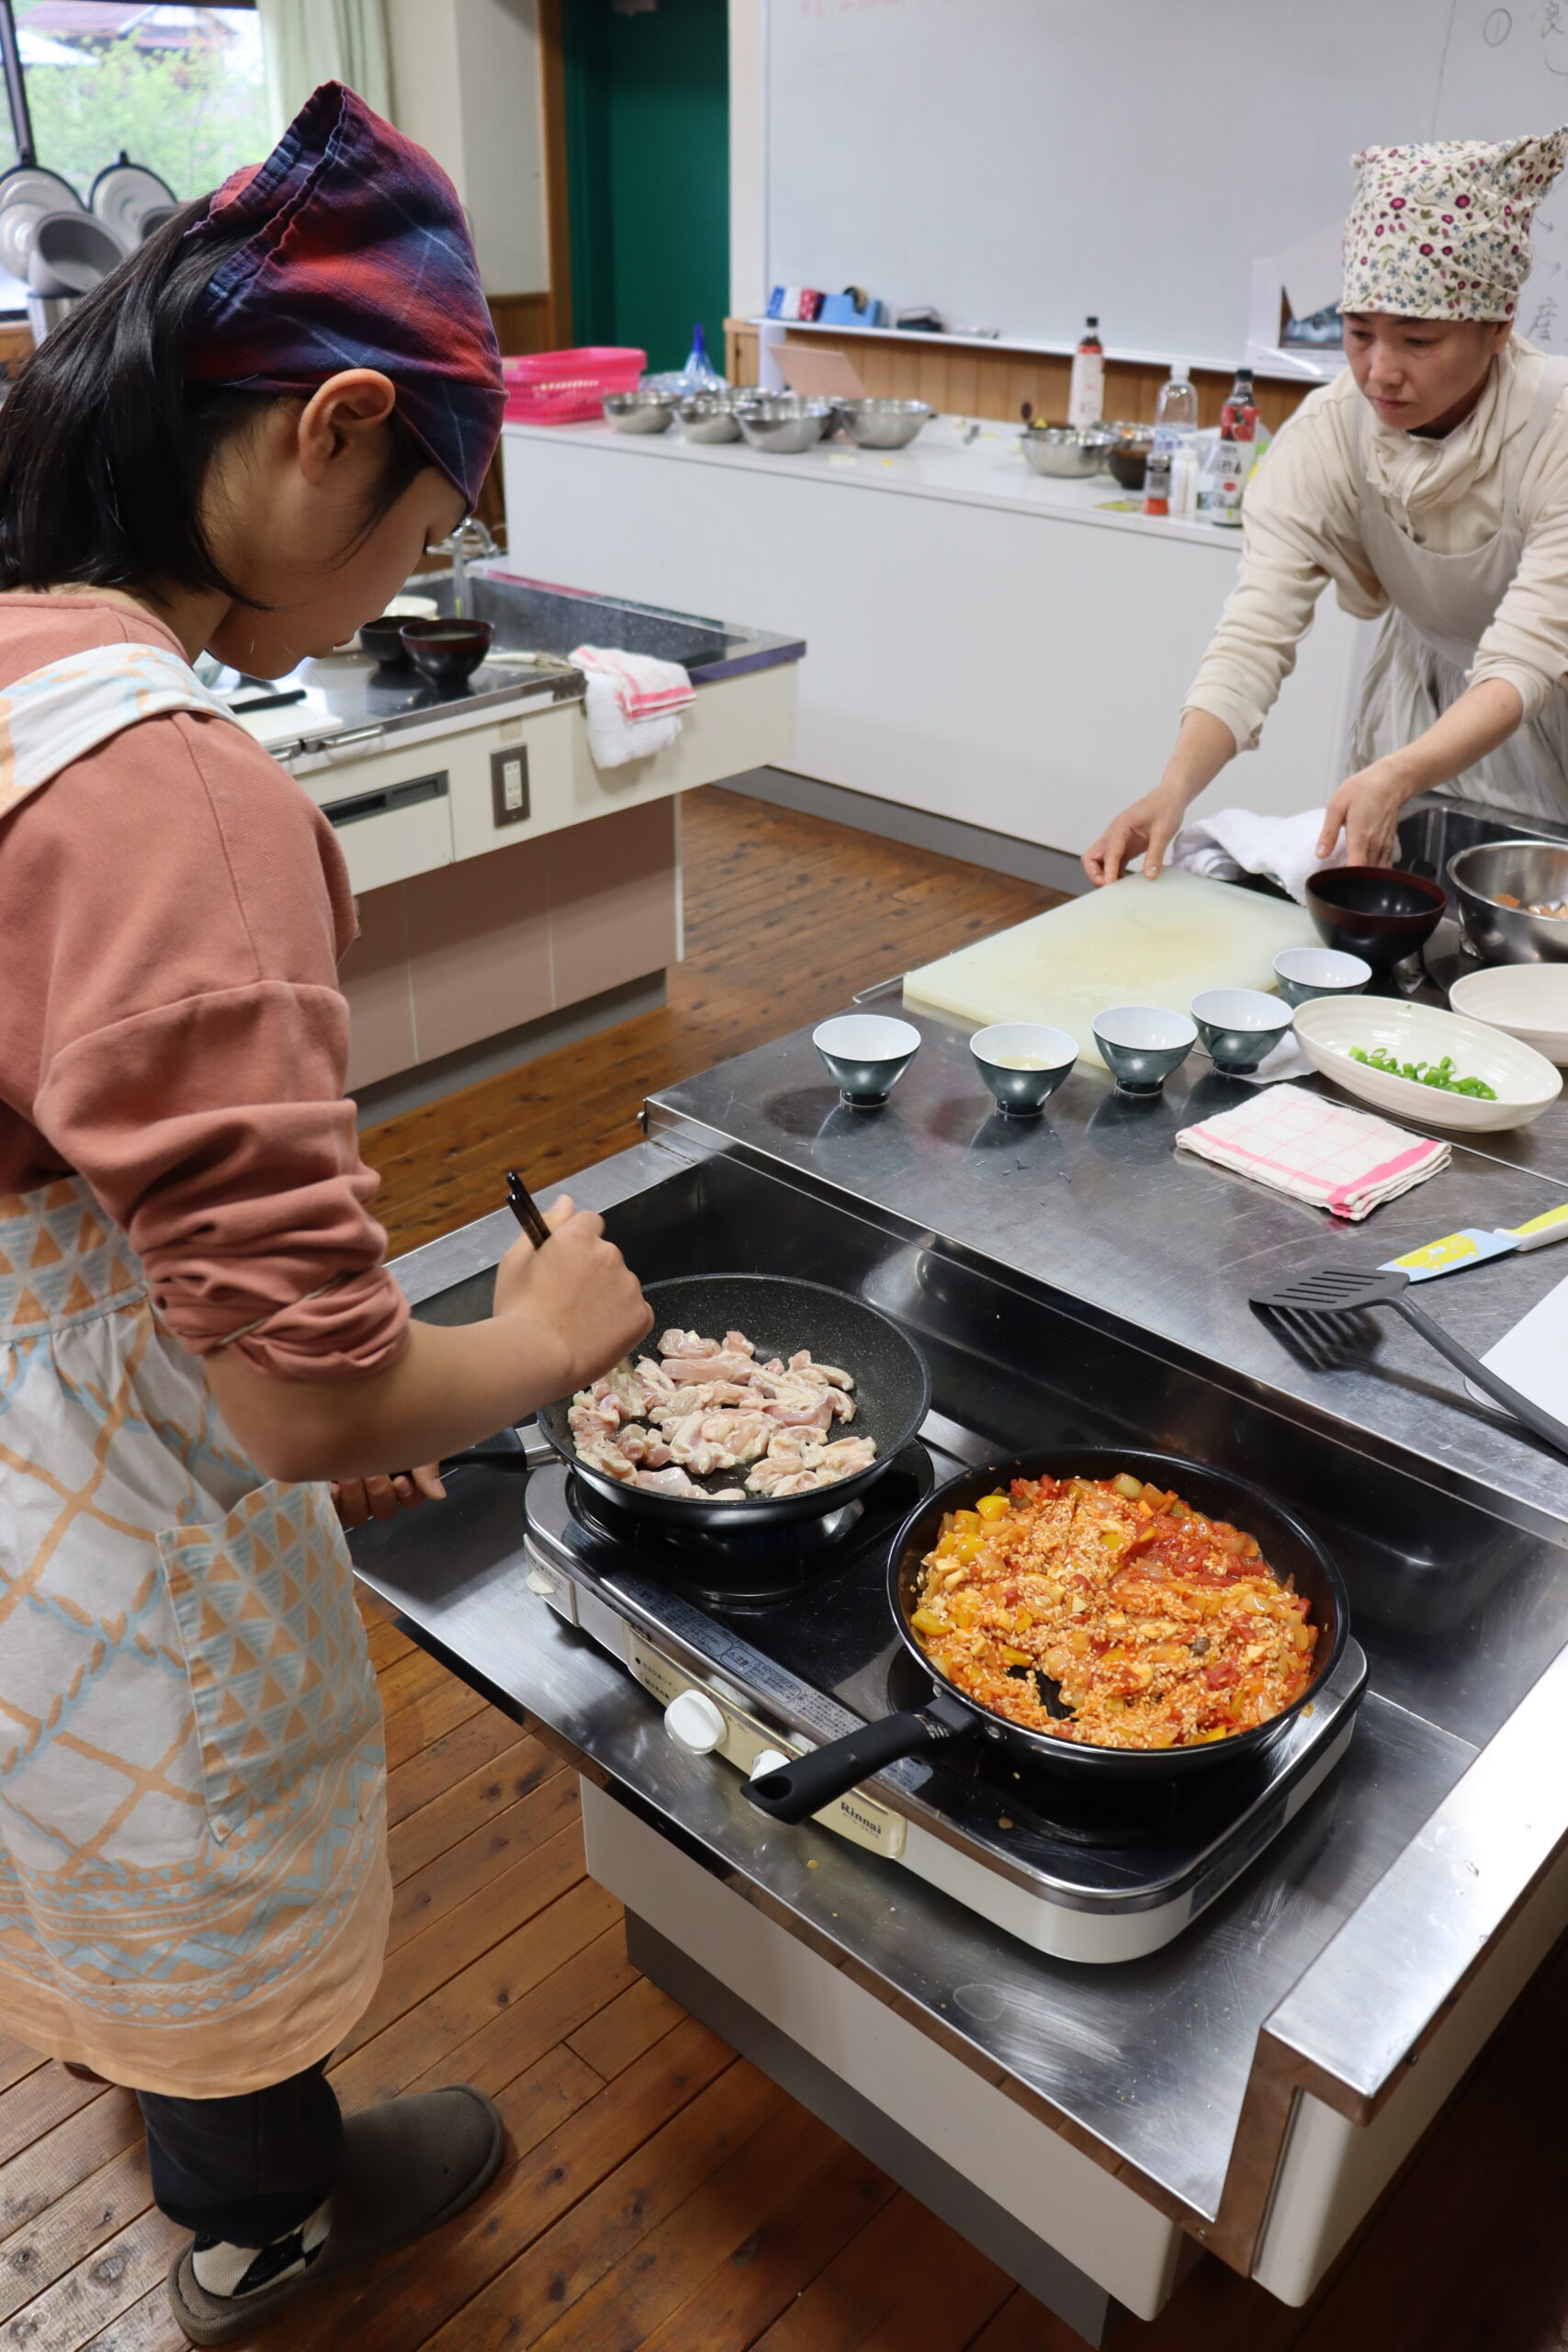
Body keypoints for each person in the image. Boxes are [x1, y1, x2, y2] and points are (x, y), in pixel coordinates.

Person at [0, 83, 650, 2346]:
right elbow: (300, 1400)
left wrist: (280, 1363)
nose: (406, 586)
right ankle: (262, 2216)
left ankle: (173, 2097)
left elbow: (118, 1161)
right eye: (423, 532)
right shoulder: (169, 790)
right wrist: (539, 1335)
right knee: (194, 1820)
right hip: (79, 1494)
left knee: (72, 1827)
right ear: (331, 430)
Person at [1085, 129, 1568, 885]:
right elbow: (1255, 632)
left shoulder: (1553, 429)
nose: (1379, 372)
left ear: (1498, 328)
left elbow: (1528, 654)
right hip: (1427, 700)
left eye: (1417, 341)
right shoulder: (1328, 433)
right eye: (1358, 333)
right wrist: (1172, 789)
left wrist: (1401, 771)